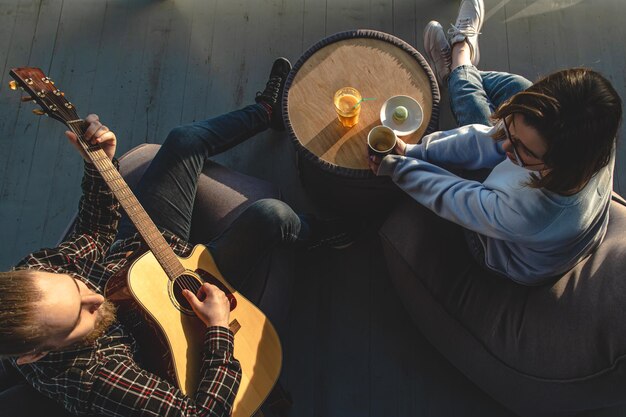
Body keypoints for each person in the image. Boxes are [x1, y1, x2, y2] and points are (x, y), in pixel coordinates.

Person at [0, 57, 351, 417]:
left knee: (184, 139)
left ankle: (266, 111)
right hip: (179, 315)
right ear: (35, 355)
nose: (94, 295)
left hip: (142, 257)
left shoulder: (39, 270)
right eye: (82, 315)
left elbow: (94, 233)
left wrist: (98, 165)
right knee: (272, 214)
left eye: (76, 284)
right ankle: (320, 234)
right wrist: (217, 330)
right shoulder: (95, 379)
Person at [369, 0, 623, 284]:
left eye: (521, 148)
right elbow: (490, 138)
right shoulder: (595, 135)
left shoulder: (527, 213)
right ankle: (459, 70)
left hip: (500, 250)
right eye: (511, 134)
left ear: (560, 162)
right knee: (520, 89)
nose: (504, 147)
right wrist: (417, 149)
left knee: (478, 113)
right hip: (552, 231)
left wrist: (401, 164)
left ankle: (459, 62)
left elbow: (451, 195)